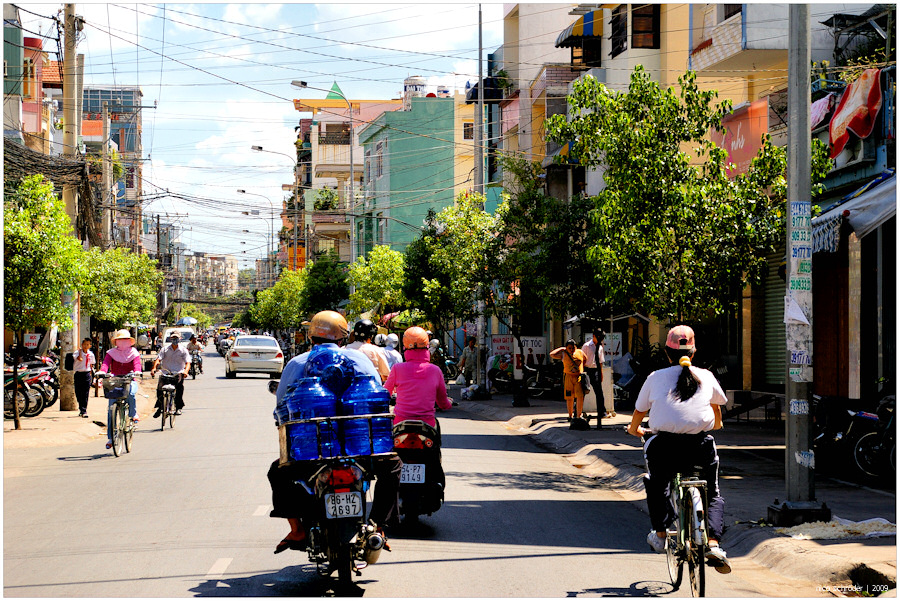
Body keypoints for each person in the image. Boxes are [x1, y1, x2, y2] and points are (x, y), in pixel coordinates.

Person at [268, 311, 401, 554]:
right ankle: (380, 526)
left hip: (311, 452)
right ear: (343, 336)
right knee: (392, 466)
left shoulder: (297, 363)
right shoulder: (360, 361)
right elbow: (376, 396)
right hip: (362, 449)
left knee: (278, 474)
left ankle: (297, 529)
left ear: (311, 337)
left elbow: (280, 407)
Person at [626, 325, 731, 575]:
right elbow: (718, 411)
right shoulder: (706, 375)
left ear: (666, 352)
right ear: (694, 352)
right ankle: (714, 544)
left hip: (664, 446)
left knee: (657, 484)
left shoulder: (655, 377)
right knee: (713, 492)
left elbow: (639, 414)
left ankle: (661, 534)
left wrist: (635, 430)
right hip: (700, 446)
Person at [384, 326, 453, 427]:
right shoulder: (435, 370)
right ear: (427, 345)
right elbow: (442, 403)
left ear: (405, 345)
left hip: (401, 423)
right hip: (427, 424)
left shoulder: (397, 369)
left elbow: (386, 393)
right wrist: (449, 403)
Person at [96, 329, 142, 449]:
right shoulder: (111, 353)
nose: (122, 342)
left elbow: (137, 364)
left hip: (129, 379)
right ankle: (111, 437)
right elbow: (105, 364)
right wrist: (102, 371)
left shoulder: (134, 353)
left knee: (131, 393)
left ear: (129, 341)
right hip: (115, 380)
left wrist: (137, 372)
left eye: (125, 340)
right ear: (116, 342)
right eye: (120, 340)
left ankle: (133, 414)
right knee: (111, 407)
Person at [151, 334, 190, 416]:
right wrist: (154, 368)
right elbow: (158, 359)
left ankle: (178, 408)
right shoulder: (165, 349)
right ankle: (160, 407)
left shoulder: (183, 350)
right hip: (165, 373)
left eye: (176, 338)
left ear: (180, 339)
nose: (175, 340)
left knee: (179, 390)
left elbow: (188, 362)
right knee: (159, 390)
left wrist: (185, 371)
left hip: (178, 373)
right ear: (170, 339)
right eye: (173, 338)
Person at [549, 339, 586, 422]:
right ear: (566, 348)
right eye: (569, 348)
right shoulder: (563, 354)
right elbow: (552, 354)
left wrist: (580, 369)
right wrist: (561, 348)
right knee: (569, 397)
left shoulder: (580, 352)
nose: (572, 350)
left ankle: (578, 416)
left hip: (578, 377)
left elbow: (585, 359)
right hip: (568, 377)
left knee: (580, 396)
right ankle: (570, 415)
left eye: (573, 348)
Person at [582, 330, 612, 421]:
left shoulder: (600, 347)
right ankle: (577, 412)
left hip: (596, 370)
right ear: (593, 336)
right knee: (583, 390)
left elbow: (601, 361)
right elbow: (582, 359)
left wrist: (601, 373)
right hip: (586, 369)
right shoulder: (586, 346)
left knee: (599, 391)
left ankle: (601, 411)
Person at [72, 337, 95, 418]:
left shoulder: (91, 354)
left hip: (87, 374)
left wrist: (92, 375)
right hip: (78, 374)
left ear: (90, 346)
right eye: (84, 344)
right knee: (78, 392)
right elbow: (78, 358)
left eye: (87, 345)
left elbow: (91, 364)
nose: (86, 346)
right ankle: (81, 407)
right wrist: (80, 353)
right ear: (82, 345)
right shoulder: (77, 352)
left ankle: (83, 410)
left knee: (85, 393)